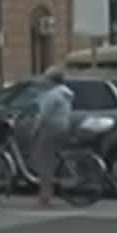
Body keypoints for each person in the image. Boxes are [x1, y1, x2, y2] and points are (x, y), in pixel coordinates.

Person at [32, 70, 76, 208]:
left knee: (44, 162)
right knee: (53, 158)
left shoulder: (52, 95)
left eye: (46, 78)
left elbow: (43, 115)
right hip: (63, 126)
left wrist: (35, 129)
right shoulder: (65, 93)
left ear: (51, 80)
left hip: (50, 128)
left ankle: (45, 196)